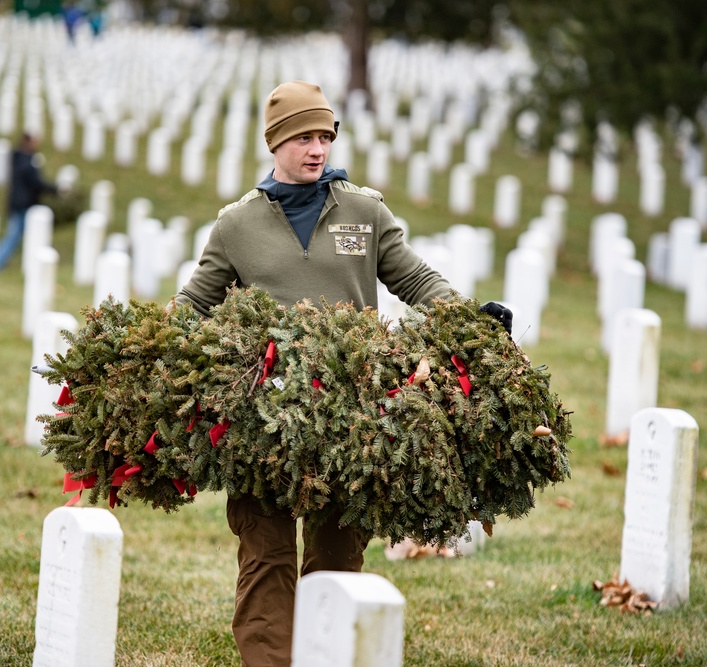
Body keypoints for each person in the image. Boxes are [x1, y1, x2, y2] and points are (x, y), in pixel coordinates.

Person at [174, 80, 511, 667]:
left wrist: (467, 319)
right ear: (275, 142)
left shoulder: (364, 209)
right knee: (265, 555)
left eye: (325, 136)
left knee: (337, 554)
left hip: (349, 417)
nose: (317, 148)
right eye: (304, 136)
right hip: (263, 418)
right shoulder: (236, 224)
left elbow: (417, 280)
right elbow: (193, 307)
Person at [0, 133, 58, 271]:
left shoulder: (19, 159)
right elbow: (35, 183)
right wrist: (54, 190)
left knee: (19, 235)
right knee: (14, 235)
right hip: (23, 204)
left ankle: (1, 261)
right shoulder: (26, 161)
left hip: (19, 203)